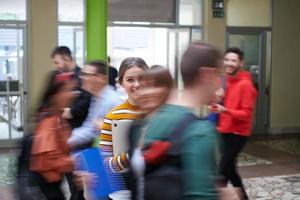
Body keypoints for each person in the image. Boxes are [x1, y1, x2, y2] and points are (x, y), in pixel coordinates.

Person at [141, 42, 221, 200]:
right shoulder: (201, 130)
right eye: (218, 75)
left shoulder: (159, 116)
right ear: (206, 74)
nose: (220, 85)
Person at [99, 57, 149, 199]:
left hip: (154, 189)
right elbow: (106, 164)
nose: (137, 84)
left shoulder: (158, 114)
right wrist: (130, 155)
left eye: (142, 78)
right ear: (121, 82)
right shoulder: (112, 116)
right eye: (130, 80)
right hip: (122, 193)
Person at [213, 47, 257, 200]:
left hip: (237, 134)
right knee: (231, 171)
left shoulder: (246, 85)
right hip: (223, 131)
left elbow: (246, 115)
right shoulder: (223, 81)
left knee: (222, 174)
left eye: (233, 60)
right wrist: (216, 101)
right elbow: (216, 107)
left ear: (241, 63)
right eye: (227, 59)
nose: (229, 63)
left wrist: (225, 111)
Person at [128, 65, 174, 200]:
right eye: (145, 86)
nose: (149, 92)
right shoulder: (135, 126)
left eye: (156, 86)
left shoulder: (177, 124)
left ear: (168, 89)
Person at [30, 73, 77, 200]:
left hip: (52, 184)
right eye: (68, 90)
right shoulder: (48, 122)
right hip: (44, 186)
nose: (72, 95)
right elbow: (47, 161)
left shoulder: (58, 117)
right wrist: (76, 162)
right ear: (55, 94)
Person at [50, 46, 92, 129]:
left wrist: (72, 111)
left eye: (57, 62)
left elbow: (87, 100)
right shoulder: (57, 76)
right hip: (63, 127)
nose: (56, 66)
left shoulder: (82, 76)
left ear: (66, 59)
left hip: (79, 128)